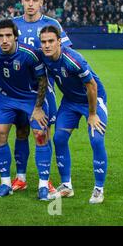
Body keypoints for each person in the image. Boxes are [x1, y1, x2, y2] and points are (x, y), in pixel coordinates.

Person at [0, 19, 52, 200]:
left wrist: (37, 108)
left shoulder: (29, 54)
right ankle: (6, 183)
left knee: (40, 134)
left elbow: (43, 80)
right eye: (0, 36)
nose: (4, 40)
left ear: (15, 37)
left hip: (31, 98)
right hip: (7, 98)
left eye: (8, 36)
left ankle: (44, 185)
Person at [10, 0, 72, 192]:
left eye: (35, 0)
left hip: (44, 89)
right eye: (27, 0)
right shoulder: (13, 24)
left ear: (42, 2)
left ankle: (45, 180)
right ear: (22, 1)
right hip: (18, 90)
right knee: (21, 132)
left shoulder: (51, 24)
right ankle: (20, 177)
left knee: (42, 133)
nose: (30, 4)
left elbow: (65, 53)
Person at [38, 25, 108, 204]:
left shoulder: (73, 60)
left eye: (51, 41)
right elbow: (43, 80)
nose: (47, 45)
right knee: (59, 138)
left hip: (93, 100)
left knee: (96, 139)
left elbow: (92, 86)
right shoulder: (44, 58)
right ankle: (66, 186)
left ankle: (99, 189)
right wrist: (38, 106)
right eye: (44, 42)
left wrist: (92, 114)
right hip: (70, 102)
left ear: (59, 42)